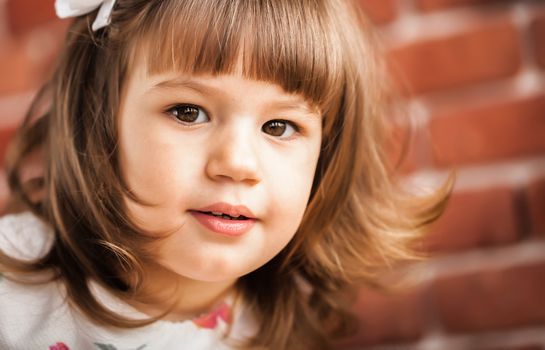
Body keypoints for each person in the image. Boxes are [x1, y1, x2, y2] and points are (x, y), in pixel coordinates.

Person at [0, 0, 451, 349]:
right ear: (98, 118)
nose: (237, 163)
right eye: (188, 112)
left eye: (279, 127)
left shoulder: (275, 332)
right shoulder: (11, 295)